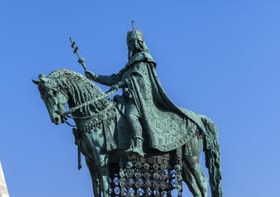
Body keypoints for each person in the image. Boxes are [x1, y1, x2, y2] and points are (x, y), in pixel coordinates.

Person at [85, 25, 201, 157]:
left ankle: (138, 145)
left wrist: (121, 83)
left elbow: (139, 78)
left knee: (131, 115)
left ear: (137, 43)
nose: (129, 46)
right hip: (128, 98)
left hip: (141, 100)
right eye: (128, 43)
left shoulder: (143, 59)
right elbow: (114, 78)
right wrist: (95, 77)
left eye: (131, 43)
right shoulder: (130, 65)